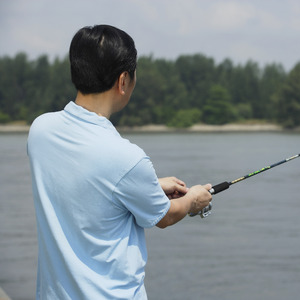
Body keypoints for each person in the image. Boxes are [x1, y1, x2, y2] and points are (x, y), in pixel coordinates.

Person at [27, 24, 212, 299]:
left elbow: (83, 181)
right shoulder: (127, 158)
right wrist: (194, 199)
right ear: (123, 81)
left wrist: (150, 185)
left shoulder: (40, 130)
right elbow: (164, 216)